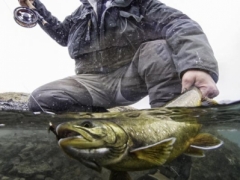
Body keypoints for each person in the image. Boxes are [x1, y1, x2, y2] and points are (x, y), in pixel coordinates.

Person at [18, 0, 219, 113]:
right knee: (40, 99)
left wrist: (197, 65)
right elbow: (62, 36)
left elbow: (179, 24)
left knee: (158, 49)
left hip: (130, 77)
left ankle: (168, 126)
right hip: (91, 82)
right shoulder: (79, 13)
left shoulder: (142, 4)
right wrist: (35, 7)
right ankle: (102, 128)